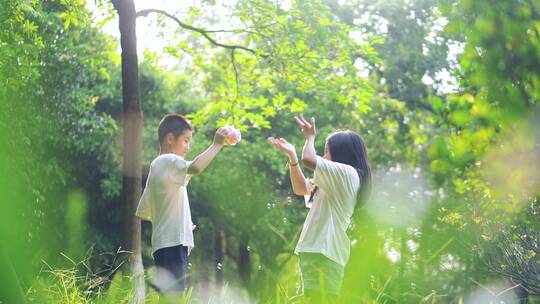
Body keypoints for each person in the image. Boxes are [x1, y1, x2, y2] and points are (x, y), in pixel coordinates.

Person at [268, 114, 371, 302]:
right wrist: (292, 156)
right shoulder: (332, 181)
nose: (323, 156)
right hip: (317, 251)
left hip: (324, 252)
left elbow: (308, 158)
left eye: (327, 151)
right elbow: (300, 188)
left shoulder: (348, 175)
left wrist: (309, 138)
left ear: (342, 153)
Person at [136, 114, 230, 293]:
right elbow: (195, 167)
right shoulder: (168, 161)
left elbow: (145, 212)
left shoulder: (159, 167)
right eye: (186, 141)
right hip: (173, 244)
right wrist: (217, 144)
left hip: (165, 244)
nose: (188, 147)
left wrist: (183, 223)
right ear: (170, 138)